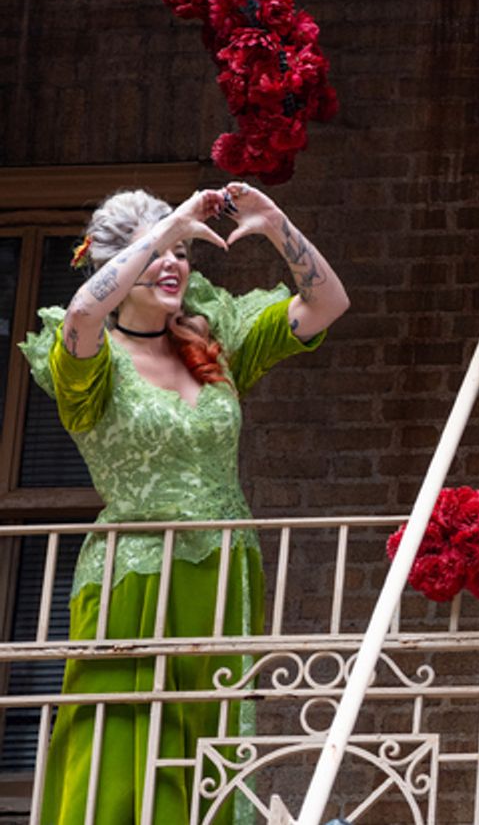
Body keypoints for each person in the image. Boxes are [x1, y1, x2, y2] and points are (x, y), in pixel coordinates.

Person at [19, 183, 349, 824]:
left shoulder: (212, 342)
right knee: (119, 759)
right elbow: (87, 313)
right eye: (159, 254)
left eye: (183, 254)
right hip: (134, 580)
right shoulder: (88, 357)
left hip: (223, 573)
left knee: (209, 753)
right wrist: (171, 225)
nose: (175, 264)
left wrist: (275, 224)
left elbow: (328, 302)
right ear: (118, 265)